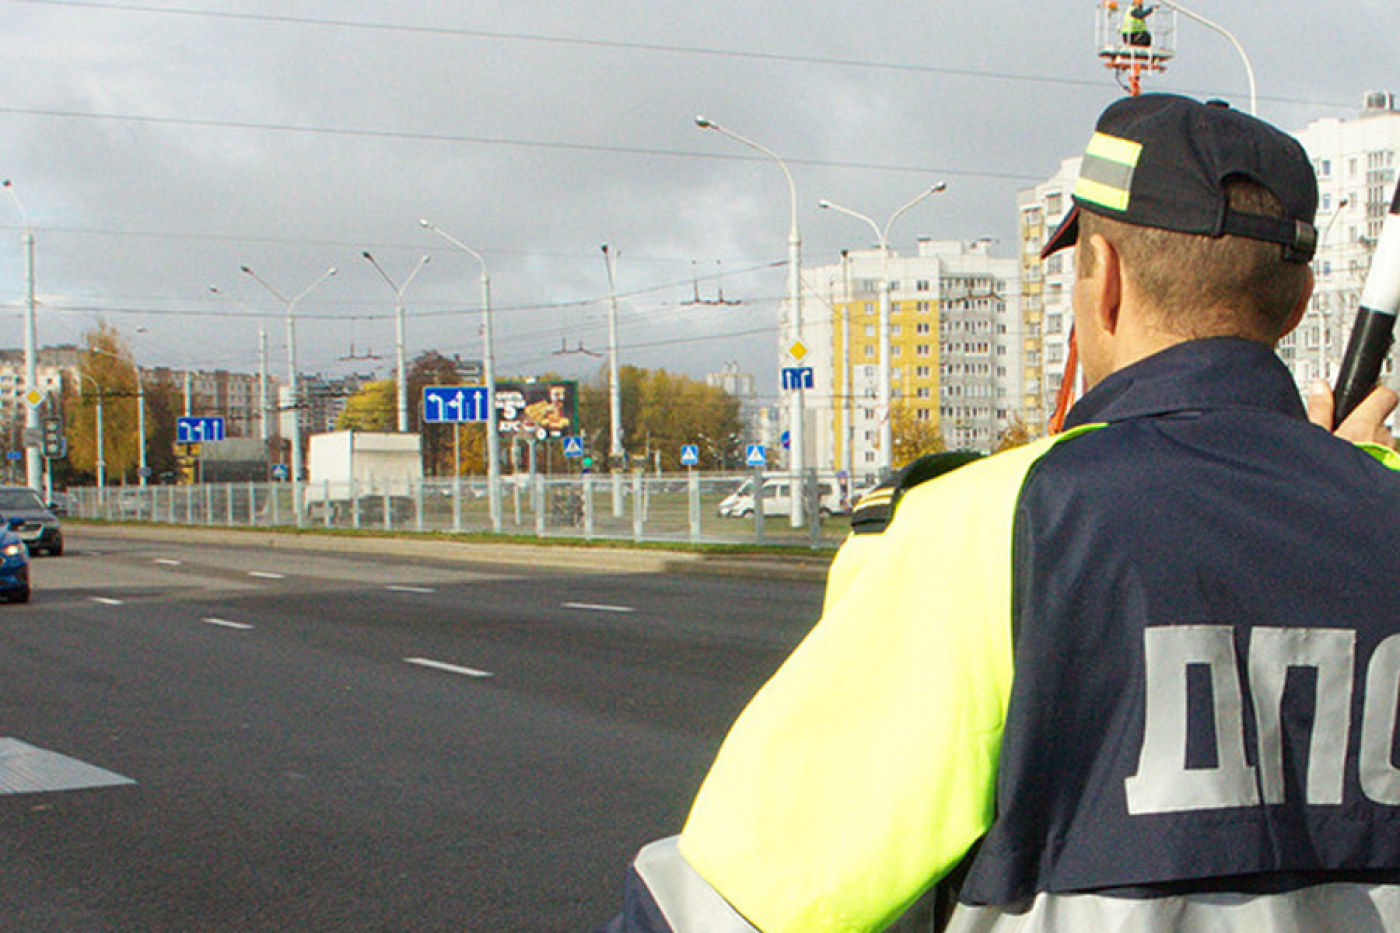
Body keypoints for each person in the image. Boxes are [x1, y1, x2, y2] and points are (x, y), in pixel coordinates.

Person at [595, 94, 1400, 933]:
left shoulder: (991, 526)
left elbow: (734, 905)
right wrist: (1340, 478)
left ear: (1107, 279)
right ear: (1300, 299)